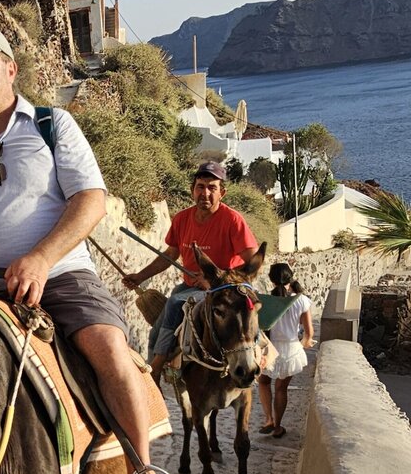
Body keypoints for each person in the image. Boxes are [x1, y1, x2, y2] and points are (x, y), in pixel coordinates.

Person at [0, 25, 189, 474]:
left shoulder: (51, 125)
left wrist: (41, 258)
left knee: (108, 347)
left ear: (10, 68)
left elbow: (90, 200)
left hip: (61, 275)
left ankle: (142, 471)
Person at [123, 161, 259, 387]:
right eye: (200, 186)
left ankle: (156, 367)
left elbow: (252, 263)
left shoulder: (232, 220)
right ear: (192, 190)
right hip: (190, 287)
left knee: (175, 302)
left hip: (221, 291)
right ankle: (153, 369)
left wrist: (215, 278)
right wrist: (140, 276)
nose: (205, 193)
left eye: (212, 187)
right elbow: (170, 255)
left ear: (222, 193)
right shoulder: (182, 219)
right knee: (156, 329)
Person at [257, 262, 314, 438]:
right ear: (291, 276)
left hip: (270, 348)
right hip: (290, 349)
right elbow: (309, 332)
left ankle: (268, 419)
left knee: (263, 382)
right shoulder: (301, 300)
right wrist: (306, 342)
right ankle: (278, 427)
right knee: (281, 389)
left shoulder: (265, 301)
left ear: (271, 280)